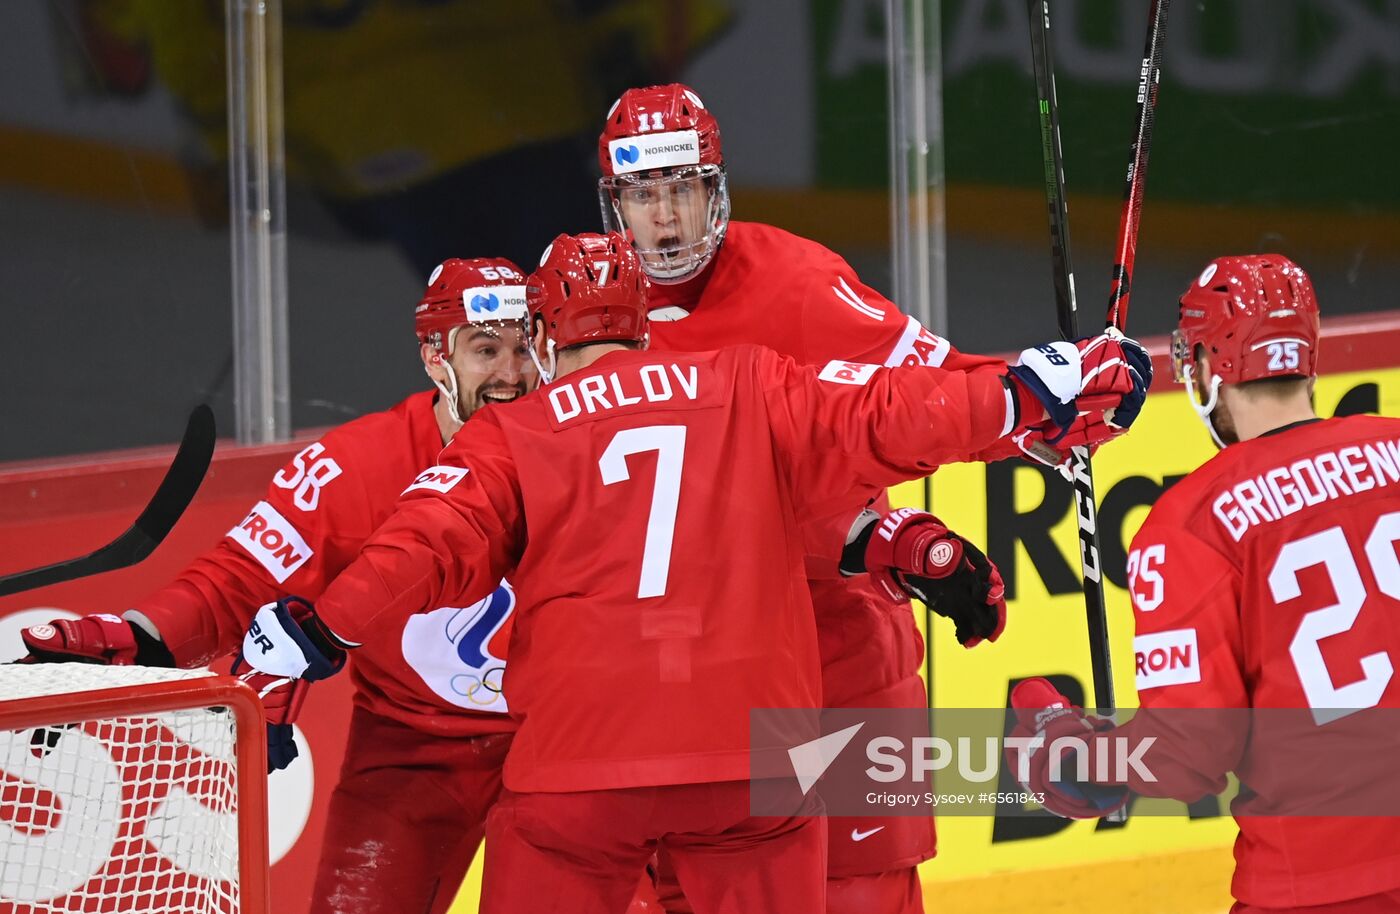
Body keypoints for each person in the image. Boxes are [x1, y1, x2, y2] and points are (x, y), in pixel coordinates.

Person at [237, 231, 1149, 914]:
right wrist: (1026, 389)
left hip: (579, 775)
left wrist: (323, 630)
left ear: (547, 337)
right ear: (647, 322)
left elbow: (423, 545)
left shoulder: (515, 432)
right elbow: (887, 412)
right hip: (750, 764)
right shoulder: (749, 381)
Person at [594, 82, 1095, 912]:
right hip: (669, 690)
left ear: (714, 189)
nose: (666, 218)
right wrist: (883, 532)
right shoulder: (580, 313)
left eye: (682, 189)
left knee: (862, 891)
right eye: (644, 194)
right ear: (615, 201)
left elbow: (943, 390)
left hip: (836, 659)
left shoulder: (793, 283)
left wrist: (1054, 409)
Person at [19, 258, 538, 914]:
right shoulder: (357, 464)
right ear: (436, 358)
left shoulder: (586, 440)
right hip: (414, 747)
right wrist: (140, 637)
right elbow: (240, 580)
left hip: (559, 739)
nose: (513, 376)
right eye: (487, 350)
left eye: (526, 347)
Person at [1008, 254, 1400, 913]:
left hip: (1320, 884)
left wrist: (1076, 759)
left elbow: (1187, 757)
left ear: (1208, 367)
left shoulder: (1191, 524)